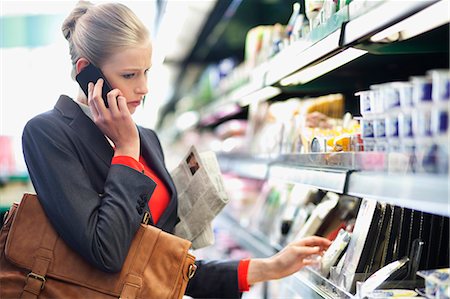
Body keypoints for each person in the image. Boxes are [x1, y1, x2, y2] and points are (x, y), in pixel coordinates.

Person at [21, 1, 331, 298]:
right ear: (86, 72)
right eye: (129, 75)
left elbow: (164, 265)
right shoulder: (48, 134)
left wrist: (270, 267)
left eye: (147, 72)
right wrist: (126, 149)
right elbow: (107, 253)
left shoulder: (148, 139)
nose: (143, 88)